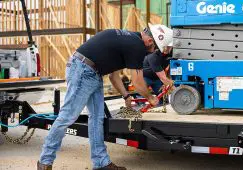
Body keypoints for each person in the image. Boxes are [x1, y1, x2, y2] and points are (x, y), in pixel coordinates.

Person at [37, 28, 159, 170]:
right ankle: (45, 161)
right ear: (150, 41)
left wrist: (126, 95)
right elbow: (137, 83)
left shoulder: (128, 38)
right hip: (83, 69)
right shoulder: (137, 45)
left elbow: (114, 76)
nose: (150, 52)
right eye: (153, 49)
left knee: (97, 118)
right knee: (67, 116)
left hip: (92, 71)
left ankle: (101, 162)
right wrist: (150, 98)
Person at [142, 24, 174, 103]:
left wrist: (169, 82)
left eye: (170, 47)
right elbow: (163, 77)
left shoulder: (170, 53)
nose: (168, 49)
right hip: (146, 77)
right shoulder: (153, 55)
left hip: (156, 78)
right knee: (143, 97)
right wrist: (177, 90)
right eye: (167, 46)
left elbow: (170, 70)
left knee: (164, 100)